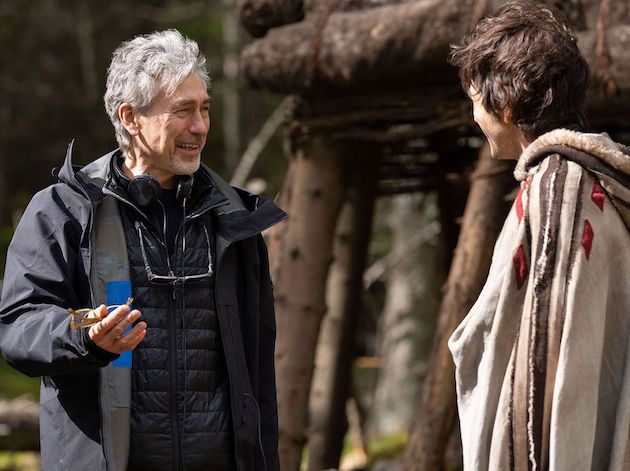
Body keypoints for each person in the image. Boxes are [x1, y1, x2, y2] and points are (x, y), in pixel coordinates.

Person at [0, 29, 285, 471]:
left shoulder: (234, 221)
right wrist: (84, 335)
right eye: (183, 111)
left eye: (205, 109)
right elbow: (19, 326)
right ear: (131, 117)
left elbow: (259, 379)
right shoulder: (64, 210)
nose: (200, 126)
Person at [447, 2, 630, 470]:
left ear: (506, 104)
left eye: (476, 100)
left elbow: (546, 359)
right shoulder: (582, 183)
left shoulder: (559, 191)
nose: (474, 116)